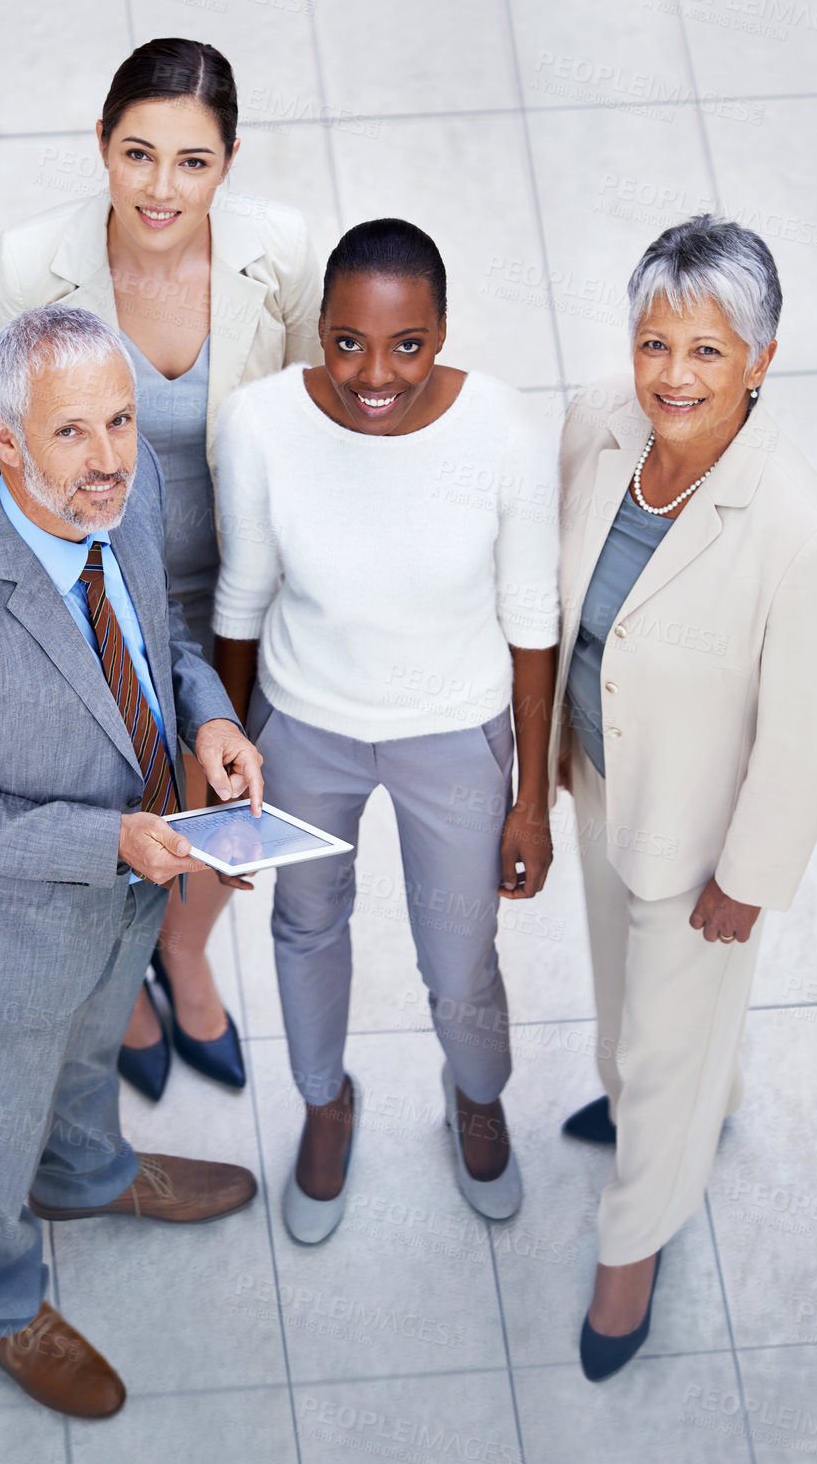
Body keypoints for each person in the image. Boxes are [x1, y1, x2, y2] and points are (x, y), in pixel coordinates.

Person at [0, 306, 265, 1419]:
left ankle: (86, 1173)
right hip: (8, 940)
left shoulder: (124, 509)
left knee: (91, 1051)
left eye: (123, 422)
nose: (107, 461)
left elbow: (164, 641)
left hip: (125, 894)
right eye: (71, 434)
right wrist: (108, 840)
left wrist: (212, 722)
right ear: (5, 439)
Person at [0, 37, 324, 1101]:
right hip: (95, 581)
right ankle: (128, 972)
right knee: (111, 794)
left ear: (227, 163)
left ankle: (185, 949)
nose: (160, 188)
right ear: (101, 144)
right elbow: (9, 437)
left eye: (192, 162)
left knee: (246, 794)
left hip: (238, 583)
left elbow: (314, 412)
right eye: (137, 154)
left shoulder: (282, 249)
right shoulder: (34, 262)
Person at [551, 214, 817, 1381]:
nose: (672, 376)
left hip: (700, 839)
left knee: (667, 1033)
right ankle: (673, 1093)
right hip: (596, 777)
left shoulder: (802, 530)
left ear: (762, 361)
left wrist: (750, 872)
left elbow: (811, 731)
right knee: (629, 1003)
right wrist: (547, 761)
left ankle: (632, 1247)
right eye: (655, 343)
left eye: (708, 351)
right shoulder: (595, 426)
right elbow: (562, 605)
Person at [213, 220, 560, 1243]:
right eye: (348, 341)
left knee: (460, 956)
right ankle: (326, 1101)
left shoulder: (503, 427)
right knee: (305, 924)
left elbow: (531, 617)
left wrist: (529, 799)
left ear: (443, 331)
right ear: (318, 328)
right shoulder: (260, 421)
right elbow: (243, 593)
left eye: (407, 343)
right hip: (304, 724)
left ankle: (479, 1092)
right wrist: (223, 768)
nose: (376, 373)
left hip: (454, 730)